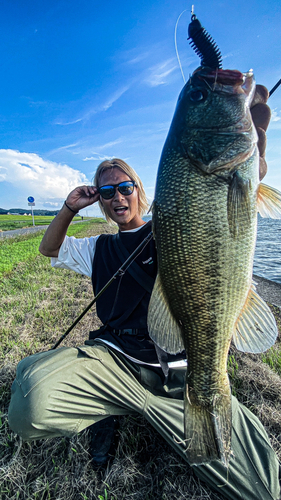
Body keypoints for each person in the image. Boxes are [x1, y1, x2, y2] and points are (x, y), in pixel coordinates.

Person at [8, 85, 280, 500]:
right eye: (106, 192)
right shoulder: (98, 247)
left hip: (184, 374)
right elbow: (49, 249)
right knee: (28, 405)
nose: (117, 197)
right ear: (99, 202)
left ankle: (171, 409)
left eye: (124, 187)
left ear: (140, 188)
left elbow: (220, 207)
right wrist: (68, 208)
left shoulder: (174, 223)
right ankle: (112, 401)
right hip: (118, 361)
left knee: (261, 488)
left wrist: (251, 162)